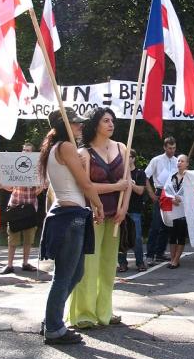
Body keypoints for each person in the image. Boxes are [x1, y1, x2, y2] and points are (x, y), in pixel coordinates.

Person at [39, 107, 104, 345]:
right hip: (70, 215)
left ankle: (51, 319)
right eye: (75, 123)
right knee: (65, 275)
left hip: (69, 213)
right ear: (63, 125)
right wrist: (98, 206)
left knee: (74, 273)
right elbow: (85, 182)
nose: (80, 126)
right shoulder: (65, 147)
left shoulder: (56, 148)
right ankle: (54, 327)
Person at [67, 107, 131, 330]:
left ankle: (105, 311)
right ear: (96, 124)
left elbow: (128, 183)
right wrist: (115, 187)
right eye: (106, 120)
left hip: (115, 215)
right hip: (92, 213)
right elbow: (85, 186)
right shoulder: (83, 153)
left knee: (108, 265)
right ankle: (84, 313)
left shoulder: (122, 148)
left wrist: (124, 208)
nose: (111, 124)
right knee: (88, 264)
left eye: (112, 120)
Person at [0, 143, 45, 275]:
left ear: (33, 153)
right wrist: (3, 184)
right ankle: (9, 265)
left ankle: (25, 263)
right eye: (24, 149)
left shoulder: (38, 168)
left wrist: (39, 186)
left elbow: (38, 191)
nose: (25, 151)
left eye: (28, 150)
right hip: (15, 206)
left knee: (28, 239)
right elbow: (9, 188)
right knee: (12, 238)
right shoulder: (14, 165)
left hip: (30, 207)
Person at [145, 136, 178, 266]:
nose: (172, 150)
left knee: (167, 225)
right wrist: (151, 193)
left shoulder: (177, 161)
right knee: (156, 224)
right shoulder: (156, 160)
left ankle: (160, 253)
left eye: (174, 148)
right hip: (159, 192)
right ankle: (150, 254)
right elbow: (145, 176)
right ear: (164, 147)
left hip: (172, 193)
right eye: (169, 148)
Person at [117, 149, 147, 272]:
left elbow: (140, 191)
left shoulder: (140, 173)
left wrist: (129, 183)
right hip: (120, 209)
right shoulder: (119, 173)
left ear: (133, 158)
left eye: (128, 156)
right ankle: (122, 263)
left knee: (137, 238)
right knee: (121, 238)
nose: (125, 159)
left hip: (134, 210)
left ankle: (140, 262)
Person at [164, 154, 189, 269]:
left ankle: (176, 259)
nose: (179, 163)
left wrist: (182, 199)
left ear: (187, 164)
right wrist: (171, 199)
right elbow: (165, 191)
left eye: (182, 161)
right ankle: (173, 259)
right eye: (178, 161)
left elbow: (193, 193)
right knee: (172, 235)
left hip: (184, 210)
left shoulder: (190, 177)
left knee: (181, 235)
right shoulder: (172, 177)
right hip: (173, 209)